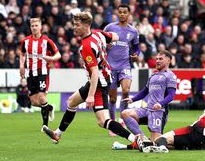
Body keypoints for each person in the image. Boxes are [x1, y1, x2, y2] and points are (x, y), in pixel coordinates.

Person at [42, 11, 140, 146]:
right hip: (101, 78)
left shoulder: (87, 46)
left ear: (86, 25)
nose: (74, 27)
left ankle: (135, 140)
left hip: (99, 82)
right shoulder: (98, 33)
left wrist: (90, 96)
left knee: (102, 121)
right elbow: (116, 36)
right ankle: (57, 134)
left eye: (77, 25)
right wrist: (106, 45)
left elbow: (94, 73)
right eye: (74, 24)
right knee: (71, 102)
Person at [138, 79, 205, 153]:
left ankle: (161, 148)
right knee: (166, 142)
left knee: (161, 139)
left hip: (196, 132)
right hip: (204, 144)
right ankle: (151, 146)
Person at [119, 50, 177, 144]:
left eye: (160, 59)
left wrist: (160, 103)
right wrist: (132, 99)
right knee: (125, 113)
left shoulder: (170, 76)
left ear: (168, 61)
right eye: (156, 59)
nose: (157, 61)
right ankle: (143, 139)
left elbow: (171, 95)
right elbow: (145, 91)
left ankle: (178, 143)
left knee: (156, 143)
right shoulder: (153, 75)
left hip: (159, 111)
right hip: (147, 109)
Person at [103, 4, 140, 135]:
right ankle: (113, 124)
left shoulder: (133, 31)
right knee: (112, 98)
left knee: (126, 91)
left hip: (125, 65)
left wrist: (136, 54)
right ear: (117, 13)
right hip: (110, 67)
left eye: (125, 12)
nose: (122, 14)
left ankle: (122, 118)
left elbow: (136, 47)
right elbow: (101, 43)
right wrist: (106, 45)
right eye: (120, 12)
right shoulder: (110, 28)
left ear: (129, 14)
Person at [19, 17, 61, 130]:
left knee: (42, 97)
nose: (34, 28)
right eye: (32, 26)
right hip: (30, 73)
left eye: (36, 25)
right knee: (33, 102)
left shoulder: (47, 41)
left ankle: (45, 125)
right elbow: (22, 54)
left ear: (40, 27)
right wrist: (21, 65)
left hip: (42, 72)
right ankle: (50, 107)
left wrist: (50, 58)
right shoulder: (25, 41)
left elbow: (58, 55)